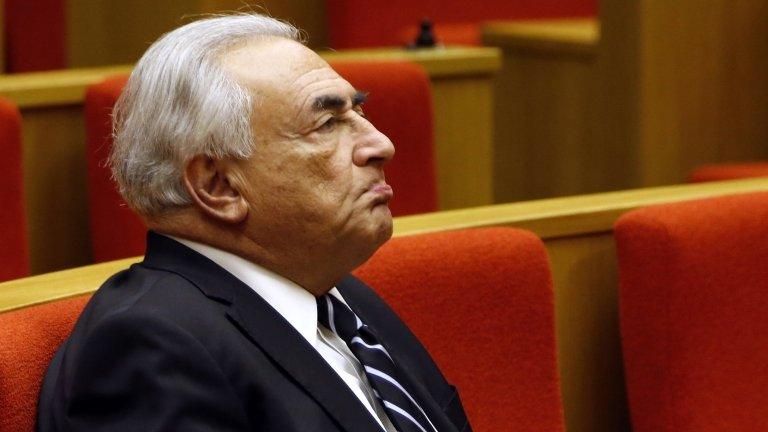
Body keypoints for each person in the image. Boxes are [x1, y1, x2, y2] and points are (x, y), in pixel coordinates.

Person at [36, 13, 471, 432]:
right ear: (219, 186)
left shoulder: (342, 298)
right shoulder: (147, 349)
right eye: (327, 123)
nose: (382, 145)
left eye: (358, 113)